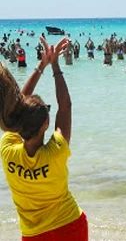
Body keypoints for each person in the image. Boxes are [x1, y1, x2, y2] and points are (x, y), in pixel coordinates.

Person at [0, 37, 88, 240]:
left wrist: (41, 65)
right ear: (46, 124)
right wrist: (55, 66)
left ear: (18, 125)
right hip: (70, 225)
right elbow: (65, 106)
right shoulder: (56, 152)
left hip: (33, 234)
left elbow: (15, 107)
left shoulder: (8, 151)